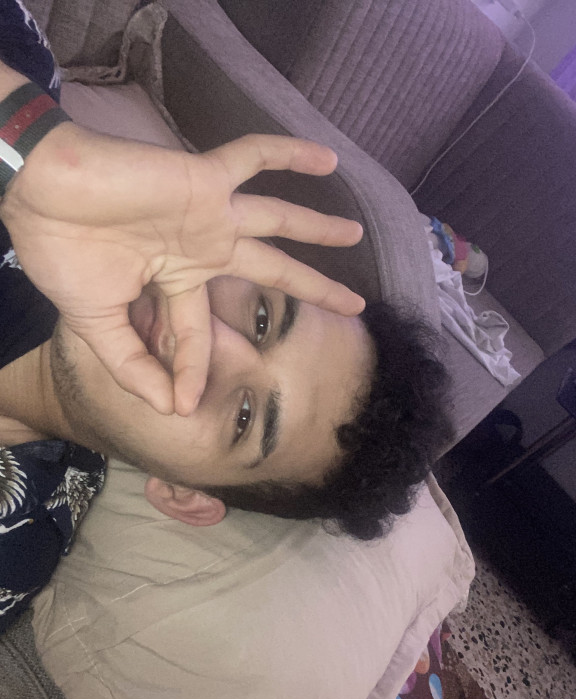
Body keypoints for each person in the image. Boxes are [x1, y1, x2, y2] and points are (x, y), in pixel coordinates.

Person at [0, 1, 452, 633]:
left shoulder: (16, 539)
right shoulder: (22, 81)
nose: (210, 341)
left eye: (245, 418)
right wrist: (30, 152)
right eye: (262, 318)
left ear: (184, 494)